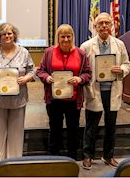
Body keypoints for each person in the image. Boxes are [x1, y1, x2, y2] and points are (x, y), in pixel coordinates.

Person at [80, 12, 130, 169]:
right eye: (100, 23)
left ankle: (108, 155)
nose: (103, 26)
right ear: (95, 27)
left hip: (112, 90)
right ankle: (88, 156)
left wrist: (121, 69)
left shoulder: (119, 44)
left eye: (106, 23)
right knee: (91, 126)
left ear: (111, 26)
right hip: (94, 91)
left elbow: (127, 64)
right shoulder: (86, 46)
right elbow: (82, 69)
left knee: (111, 126)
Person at [0, 23, 35, 170]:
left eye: (10, 33)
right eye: (3, 34)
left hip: (18, 99)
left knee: (16, 133)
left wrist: (27, 78)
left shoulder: (24, 52)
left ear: (14, 35)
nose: (7, 36)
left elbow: (32, 70)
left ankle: (15, 164)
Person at [36, 24, 91, 160]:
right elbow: (40, 71)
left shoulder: (81, 53)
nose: (66, 39)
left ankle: (72, 158)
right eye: (62, 36)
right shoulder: (49, 52)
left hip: (73, 99)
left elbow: (88, 73)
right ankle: (54, 158)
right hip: (54, 99)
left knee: (73, 129)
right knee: (55, 129)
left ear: (72, 37)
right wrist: (46, 77)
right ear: (58, 38)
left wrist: (79, 78)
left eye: (68, 36)